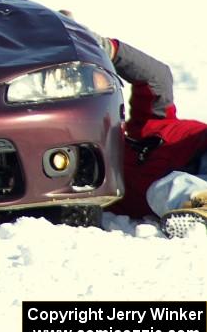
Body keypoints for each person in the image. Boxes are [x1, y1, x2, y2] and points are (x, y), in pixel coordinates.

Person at [85, 30, 207, 237]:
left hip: (200, 147)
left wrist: (107, 49)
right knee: (166, 188)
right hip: (181, 193)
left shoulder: (149, 124)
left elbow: (157, 78)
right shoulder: (105, 192)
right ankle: (200, 210)